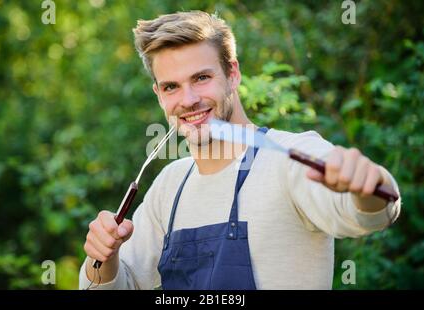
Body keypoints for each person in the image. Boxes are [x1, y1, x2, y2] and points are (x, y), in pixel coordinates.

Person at [79, 11, 401, 290]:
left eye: (202, 78)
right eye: (171, 87)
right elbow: (121, 283)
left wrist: (369, 184)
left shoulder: (288, 156)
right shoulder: (170, 186)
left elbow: (369, 213)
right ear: (159, 95)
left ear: (233, 74)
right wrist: (103, 257)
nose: (188, 100)